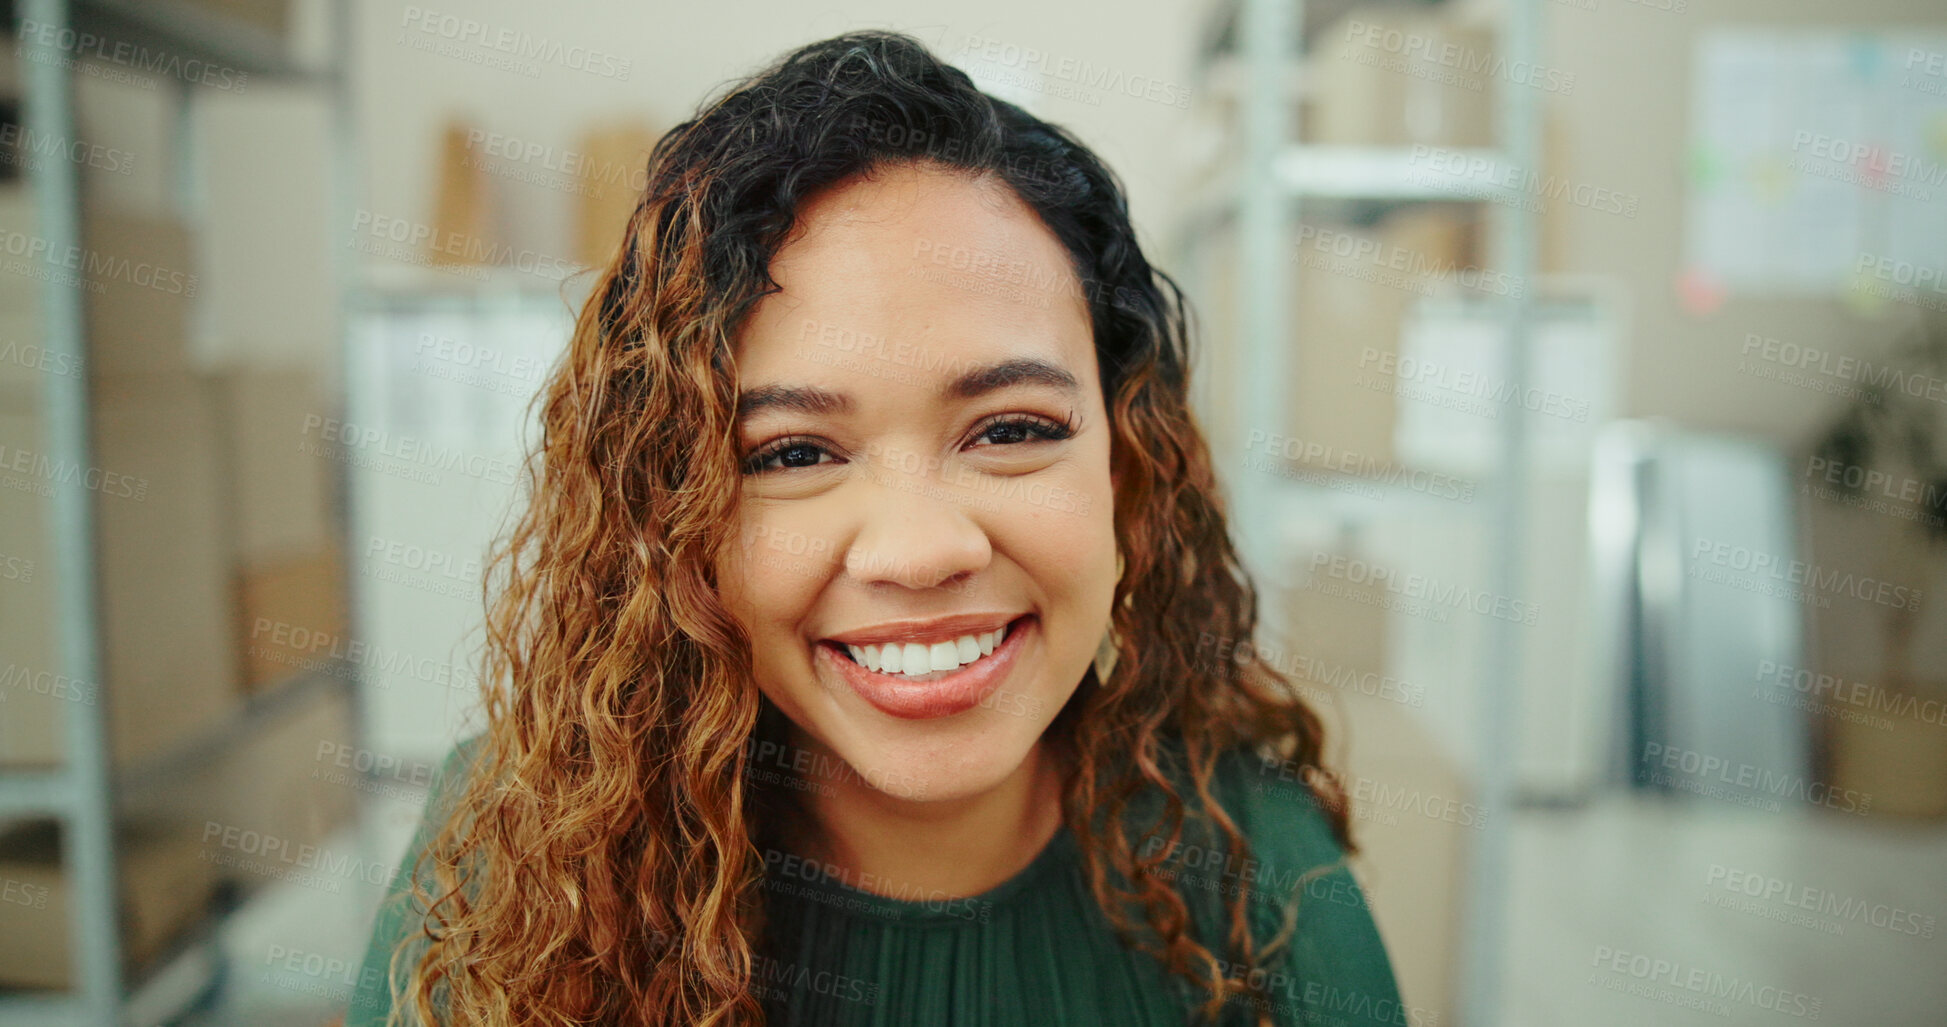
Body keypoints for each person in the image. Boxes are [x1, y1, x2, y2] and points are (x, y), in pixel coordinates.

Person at [347, 30, 1402, 1027]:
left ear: (1129, 467)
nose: (918, 549)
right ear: (671, 518)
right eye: (793, 452)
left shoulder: (1264, 883)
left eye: (1011, 429)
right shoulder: (524, 860)